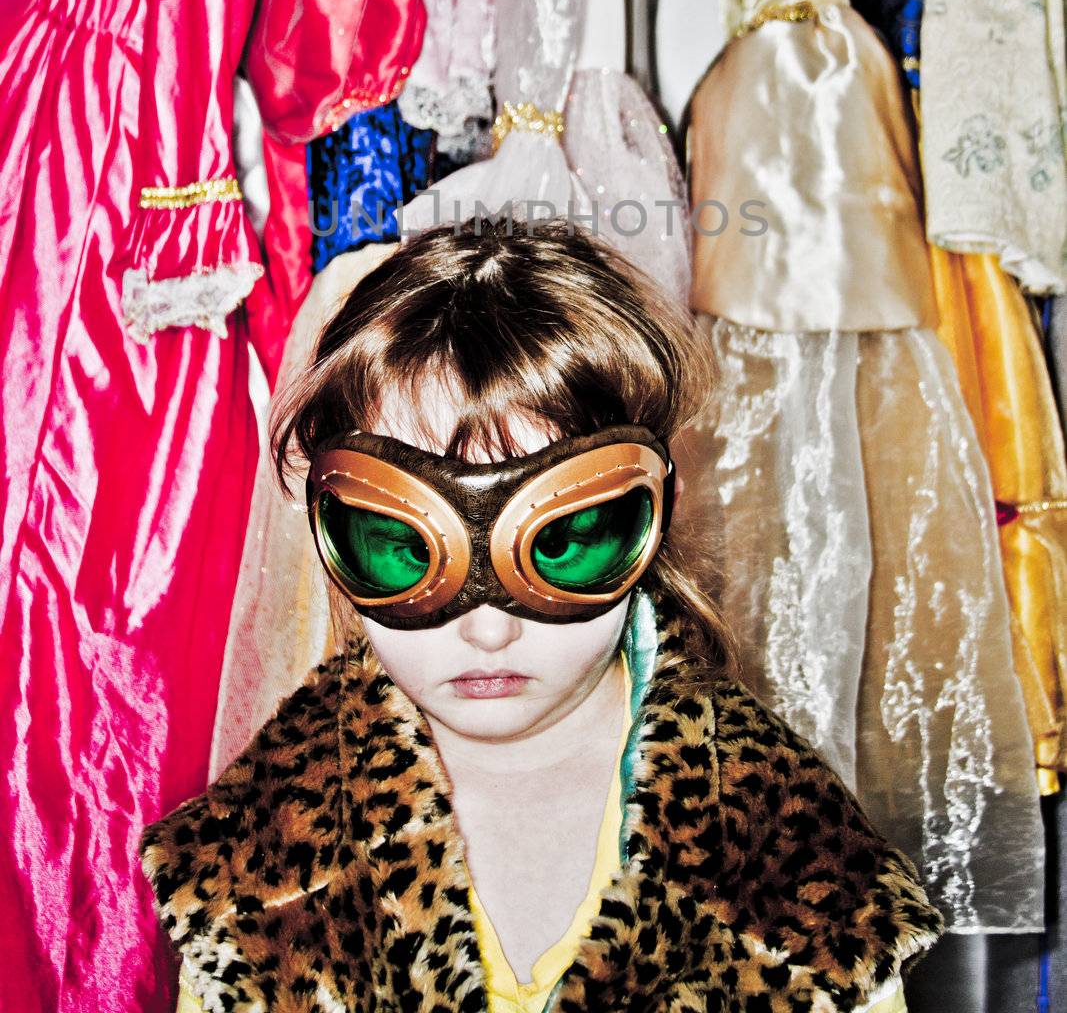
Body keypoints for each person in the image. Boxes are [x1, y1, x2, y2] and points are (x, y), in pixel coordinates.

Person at [141, 218, 942, 1012]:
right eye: (402, 548)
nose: (488, 631)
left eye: (563, 542)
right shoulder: (254, 872)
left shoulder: (794, 875)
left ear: (650, 520)